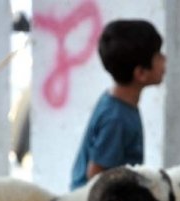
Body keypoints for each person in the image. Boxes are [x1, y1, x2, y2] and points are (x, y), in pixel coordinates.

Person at [70, 19, 166, 190]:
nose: (164, 59)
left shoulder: (119, 103)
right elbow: (95, 175)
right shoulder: (116, 118)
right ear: (141, 73)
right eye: (158, 56)